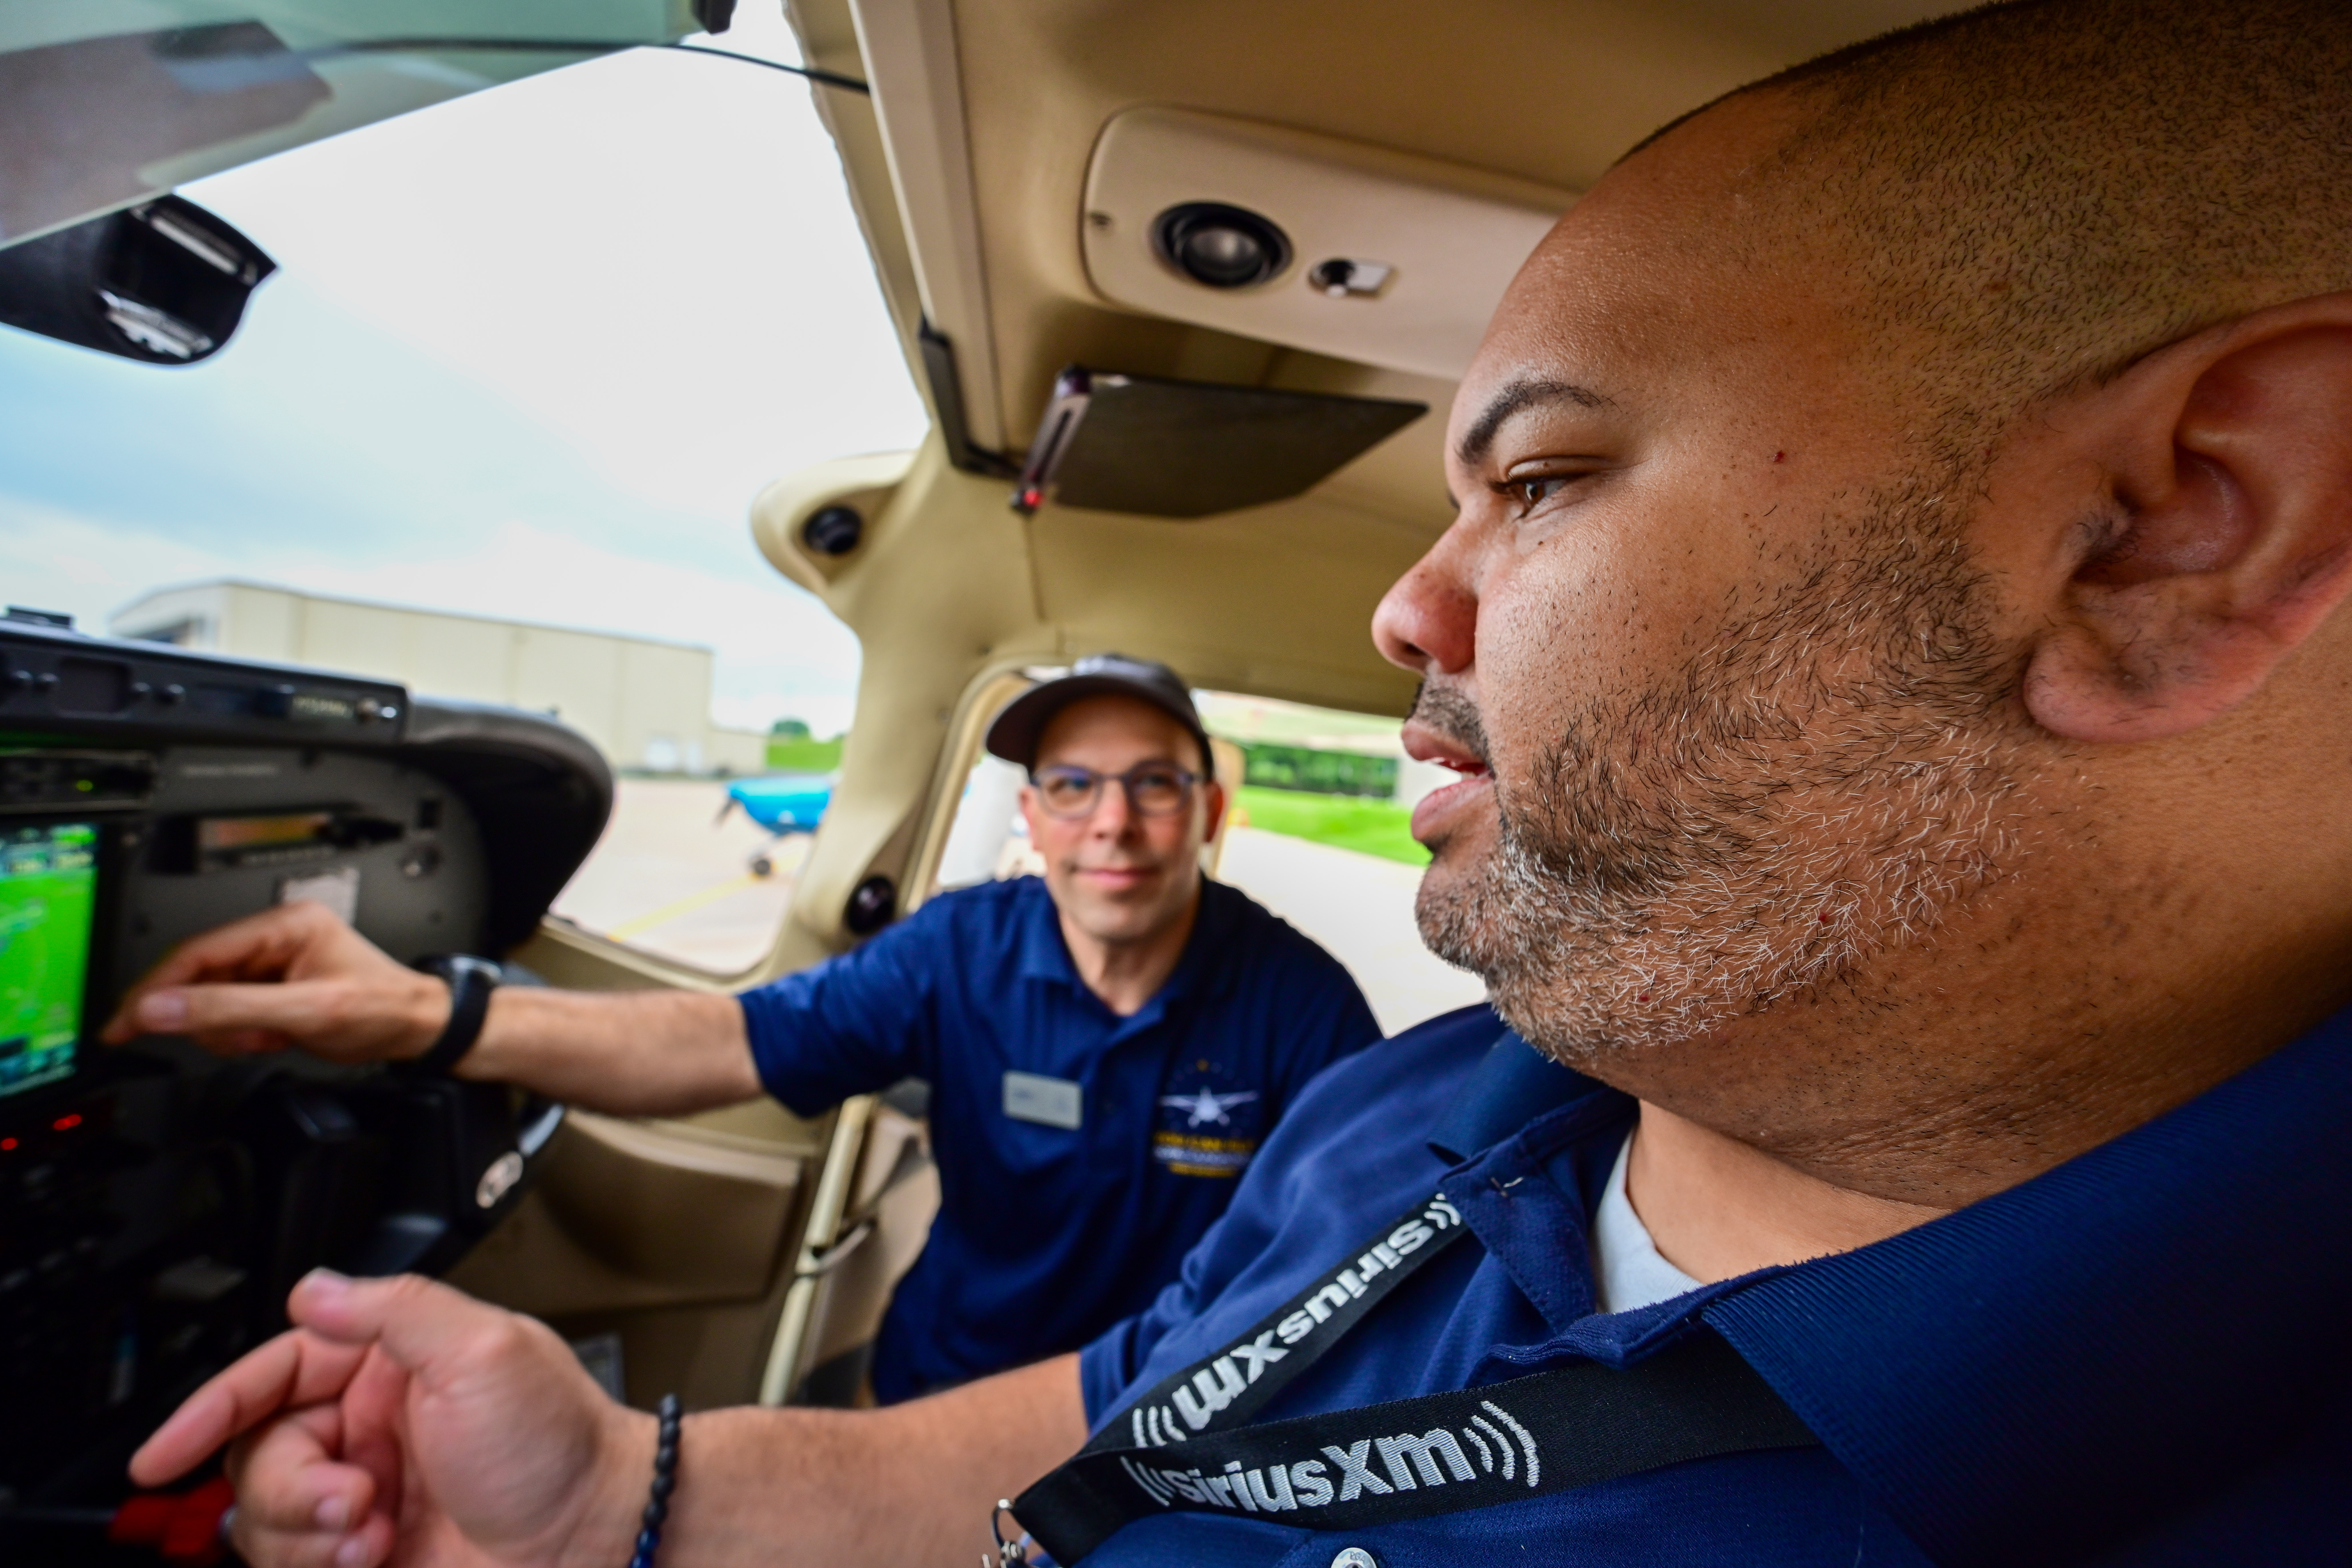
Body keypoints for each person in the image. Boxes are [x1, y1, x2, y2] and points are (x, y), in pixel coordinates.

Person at [127, 0, 2352, 1561]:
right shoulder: (1419, 1106)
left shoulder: (1302, 1009)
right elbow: (1130, 1421)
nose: (1409, 610)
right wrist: (628, 1494)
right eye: (1060, 789)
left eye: (1545, 476)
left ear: (2174, 530)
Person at [104, 654, 1381, 1404]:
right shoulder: (956, 949)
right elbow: (716, 1045)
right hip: (935, 1382)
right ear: (1035, 819)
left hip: (1151, 1421)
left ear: (1206, 809)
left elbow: (1340, 1277)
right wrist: (429, 1013)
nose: (1114, 821)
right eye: (1072, 785)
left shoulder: (1303, 1003)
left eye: (1154, 783)